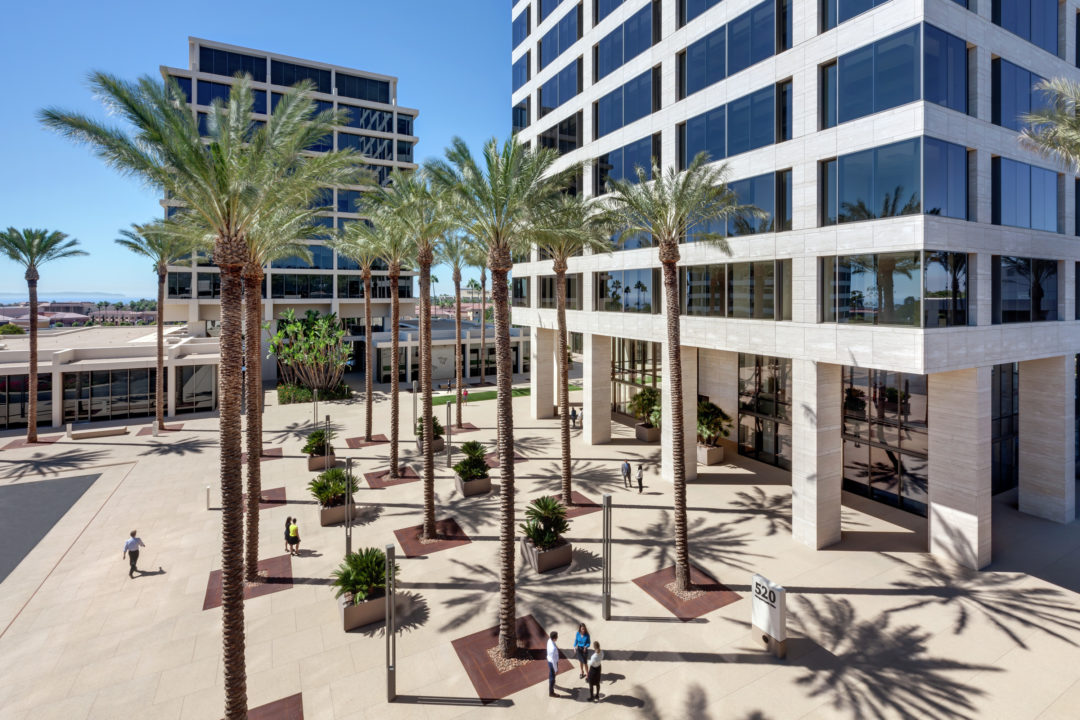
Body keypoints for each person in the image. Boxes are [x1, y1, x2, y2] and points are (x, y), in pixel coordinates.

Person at [546, 630, 559, 697]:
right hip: (552, 663)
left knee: (551, 674)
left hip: (549, 660)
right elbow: (554, 661)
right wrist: (556, 670)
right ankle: (551, 692)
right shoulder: (553, 649)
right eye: (557, 636)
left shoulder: (549, 640)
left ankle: (552, 684)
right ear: (554, 638)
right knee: (552, 677)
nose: (557, 637)